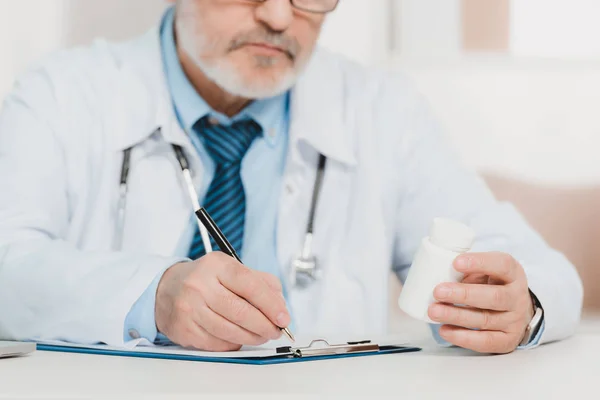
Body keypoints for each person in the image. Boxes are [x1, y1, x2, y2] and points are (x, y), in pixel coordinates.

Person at [0, 0, 582, 354]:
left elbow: (537, 269)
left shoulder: (382, 109)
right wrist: (148, 296)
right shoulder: (62, 94)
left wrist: (520, 306)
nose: (279, 17)